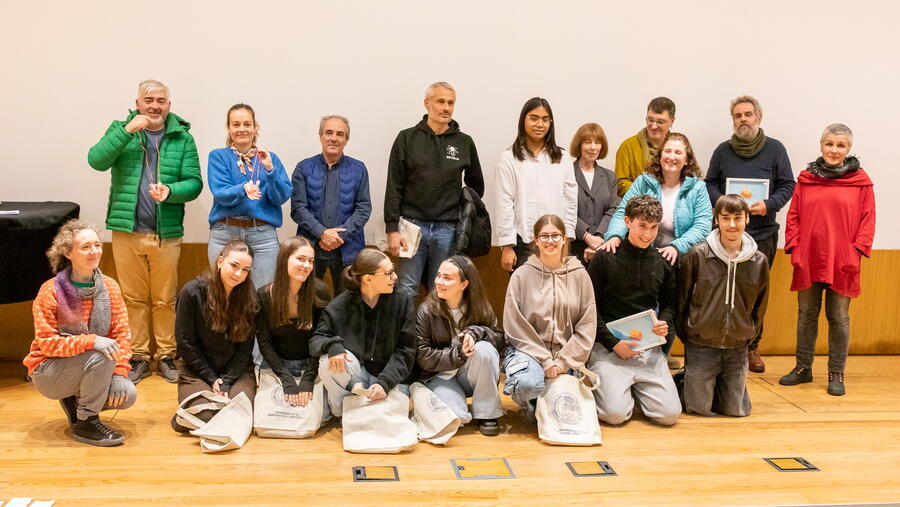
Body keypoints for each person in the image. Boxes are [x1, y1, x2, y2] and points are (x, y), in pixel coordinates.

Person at [87, 79, 202, 385]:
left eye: (160, 100)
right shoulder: (121, 129)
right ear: (137, 103)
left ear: (169, 105)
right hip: (126, 231)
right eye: (148, 100)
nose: (154, 106)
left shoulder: (182, 138)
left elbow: (194, 182)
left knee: (165, 300)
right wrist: (127, 131)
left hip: (166, 233)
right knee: (133, 299)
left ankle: (166, 355)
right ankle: (137, 355)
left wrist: (171, 190)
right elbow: (96, 160)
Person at [779, 124, 875, 396]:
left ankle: (836, 371)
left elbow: (868, 220)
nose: (834, 150)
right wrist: (795, 248)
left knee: (839, 317)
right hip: (808, 257)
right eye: (829, 144)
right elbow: (794, 215)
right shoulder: (807, 178)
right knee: (806, 315)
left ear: (848, 149)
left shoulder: (861, 182)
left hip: (843, 260)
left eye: (840, 145)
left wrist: (856, 252)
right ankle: (803, 367)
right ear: (821, 146)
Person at [24, 219, 137, 446]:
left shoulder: (110, 286)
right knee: (101, 352)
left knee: (127, 394)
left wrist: (119, 373)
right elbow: (47, 344)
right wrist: (92, 341)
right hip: (49, 370)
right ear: (68, 253)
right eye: (85, 247)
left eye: (97, 245)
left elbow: (122, 335)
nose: (94, 251)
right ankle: (86, 422)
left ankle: (76, 399)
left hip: (89, 363)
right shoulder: (50, 290)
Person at [705, 95, 796, 373]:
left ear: (758, 117)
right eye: (737, 115)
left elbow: (788, 185)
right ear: (732, 120)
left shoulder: (775, 149)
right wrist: (725, 206)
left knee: (755, 293)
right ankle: (721, 344)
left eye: (748, 114)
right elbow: (709, 183)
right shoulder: (722, 151)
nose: (743, 119)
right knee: (723, 291)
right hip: (726, 236)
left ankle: (751, 346)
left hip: (763, 234)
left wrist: (768, 205)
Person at [587, 195, 681, 426]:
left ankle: (636, 390)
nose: (647, 234)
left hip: (647, 348)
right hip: (608, 347)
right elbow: (589, 309)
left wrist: (664, 323)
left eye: (653, 228)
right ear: (627, 222)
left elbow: (671, 304)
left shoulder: (662, 262)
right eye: (641, 226)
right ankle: (620, 389)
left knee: (669, 416)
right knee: (614, 415)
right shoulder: (605, 257)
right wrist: (613, 343)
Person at [384, 82, 484, 299]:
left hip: (447, 228)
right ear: (427, 103)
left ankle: (435, 334)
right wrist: (392, 228)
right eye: (440, 101)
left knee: (441, 289)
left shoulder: (464, 143)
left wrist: (460, 209)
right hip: (411, 227)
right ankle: (407, 334)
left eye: (451, 102)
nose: (446, 107)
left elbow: (477, 187)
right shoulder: (407, 138)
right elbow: (394, 185)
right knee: (406, 289)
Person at [677, 195, 769, 417]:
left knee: (736, 411)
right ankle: (684, 380)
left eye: (738, 218)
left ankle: (721, 386)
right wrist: (690, 332)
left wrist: (749, 336)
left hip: (737, 347)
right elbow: (682, 299)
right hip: (701, 345)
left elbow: (760, 305)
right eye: (725, 218)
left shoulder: (759, 261)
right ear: (716, 220)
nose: (731, 224)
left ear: (747, 218)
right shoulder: (698, 255)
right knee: (698, 409)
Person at [502, 215, 597, 421]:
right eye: (544, 236)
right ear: (536, 241)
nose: (550, 241)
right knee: (529, 384)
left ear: (565, 239)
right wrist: (546, 361)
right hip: (529, 352)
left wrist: (563, 362)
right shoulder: (521, 275)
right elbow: (515, 326)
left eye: (555, 236)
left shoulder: (580, 275)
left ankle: (546, 407)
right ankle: (531, 404)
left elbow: (587, 324)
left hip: (567, 354)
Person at [310, 248, 417, 416]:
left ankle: (358, 410)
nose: (395, 277)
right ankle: (343, 412)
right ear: (368, 279)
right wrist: (332, 345)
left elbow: (406, 351)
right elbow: (316, 339)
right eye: (389, 273)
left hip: (388, 377)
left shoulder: (403, 303)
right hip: (356, 378)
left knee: (389, 418)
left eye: (393, 270)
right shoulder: (339, 305)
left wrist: (384, 383)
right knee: (327, 362)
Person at [172, 239, 258, 433]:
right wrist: (211, 378)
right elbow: (185, 343)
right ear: (220, 262)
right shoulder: (192, 291)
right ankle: (188, 416)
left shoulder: (248, 295)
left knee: (242, 413)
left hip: (236, 371)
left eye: (245, 270)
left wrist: (227, 380)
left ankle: (198, 417)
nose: (238, 274)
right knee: (205, 413)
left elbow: (245, 349)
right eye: (234, 265)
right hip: (197, 370)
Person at [415, 255, 505, 436]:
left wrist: (475, 332)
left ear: (464, 284)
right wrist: (459, 353)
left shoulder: (480, 306)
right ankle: (455, 403)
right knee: (456, 418)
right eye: (438, 276)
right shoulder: (425, 310)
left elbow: (500, 339)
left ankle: (487, 413)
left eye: (447, 278)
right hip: (439, 375)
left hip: (470, 375)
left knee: (484, 349)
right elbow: (423, 356)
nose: (439, 282)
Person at [207, 103, 292, 290]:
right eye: (236, 124)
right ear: (228, 128)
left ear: (255, 127)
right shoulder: (218, 156)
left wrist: (269, 169)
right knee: (222, 293)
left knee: (262, 293)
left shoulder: (270, 158)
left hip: (262, 235)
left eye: (247, 124)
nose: (242, 129)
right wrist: (243, 189)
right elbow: (221, 193)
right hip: (225, 232)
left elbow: (281, 196)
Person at [291, 115, 372, 295]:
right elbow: (298, 208)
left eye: (340, 134)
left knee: (349, 305)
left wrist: (337, 237)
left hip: (348, 251)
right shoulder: (303, 168)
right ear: (321, 136)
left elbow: (364, 208)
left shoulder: (359, 169)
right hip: (310, 250)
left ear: (346, 140)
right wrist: (322, 233)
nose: (334, 138)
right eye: (329, 133)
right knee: (307, 302)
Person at [497, 98, 577, 271]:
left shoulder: (563, 158)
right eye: (534, 118)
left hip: (556, 242)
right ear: (523, 120)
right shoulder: (509, 158)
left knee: (556, 294)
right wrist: (507, 246)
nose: (540, 124)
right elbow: (504, 202)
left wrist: (567, 239)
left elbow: (570, 201)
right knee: (525, 296)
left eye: (545, 119)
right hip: (523, 242)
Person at [257, 237, 332, 408]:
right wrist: (286, 379)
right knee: (272, 413)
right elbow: (264, 342)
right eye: (301, 259)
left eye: (311, 261)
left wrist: (308, 378)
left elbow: (320, 337)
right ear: (284, 260)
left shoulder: (319, 290)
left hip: (311, 363)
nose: (306, 266)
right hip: (276, 364)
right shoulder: (263, 295)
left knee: (315, 414)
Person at [569, 122, 620, 264]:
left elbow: (614, 208)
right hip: (571, 248)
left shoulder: (610, 177)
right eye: (587, 142)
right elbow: (563, 208)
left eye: (597, 142)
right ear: (579, 145)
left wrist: (598, 236)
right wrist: (586, 236)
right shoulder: (566, 174)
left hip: (602, 247)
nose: (593, 147)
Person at [614, 97, 676, 196]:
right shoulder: (627, 146)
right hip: (638, 207)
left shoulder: (679, 147)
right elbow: (620, 183)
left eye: (660, 122)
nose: (654, 126)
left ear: (672, 121)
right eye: (650, 120)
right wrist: (649, 193)